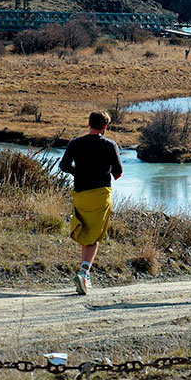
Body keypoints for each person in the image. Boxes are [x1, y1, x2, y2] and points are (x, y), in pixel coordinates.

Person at [59, 111, 123, 295]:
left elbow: (63, 166)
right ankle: (84, 273)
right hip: (101, 194)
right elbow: (118, 172)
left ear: (88, 123)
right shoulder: (110, 145)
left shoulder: (75, 143)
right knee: (94, 237)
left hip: (80, 194)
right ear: (105, 127)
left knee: (86, 234)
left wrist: (77, 172)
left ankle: (84, 274)